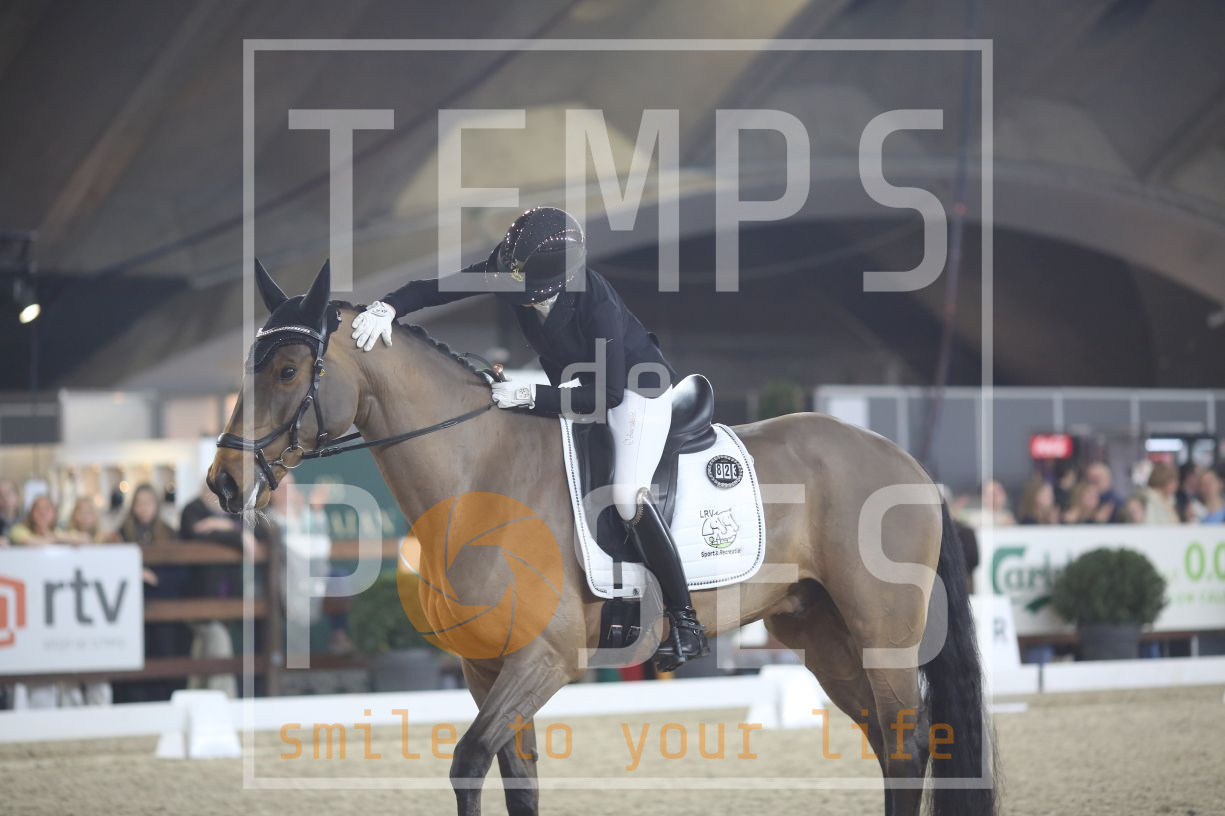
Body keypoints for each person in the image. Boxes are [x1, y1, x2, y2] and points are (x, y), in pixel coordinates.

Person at [349, 206, 708, 669]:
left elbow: (608, 395)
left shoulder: (594, 301)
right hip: (577, 391)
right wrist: (389, 306)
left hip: (634, 392)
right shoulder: (511, 269)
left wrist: (531, 394)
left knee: (625, 495)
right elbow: (436, 287)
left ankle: (685, 621)